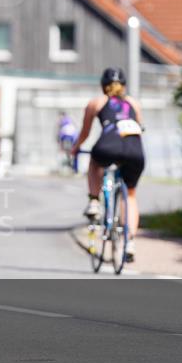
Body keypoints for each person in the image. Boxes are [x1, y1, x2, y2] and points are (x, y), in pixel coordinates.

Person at [69, 67, 145, 261]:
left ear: (103, 86)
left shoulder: (97, 102)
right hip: (134, 149)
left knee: (95, 163)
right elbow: (141, 128)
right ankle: (130, 242)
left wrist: (75, 148)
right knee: (130, 194)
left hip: (107, 146)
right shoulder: (133, 103)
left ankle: (94, 200)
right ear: (124, 86)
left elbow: (85, 133)